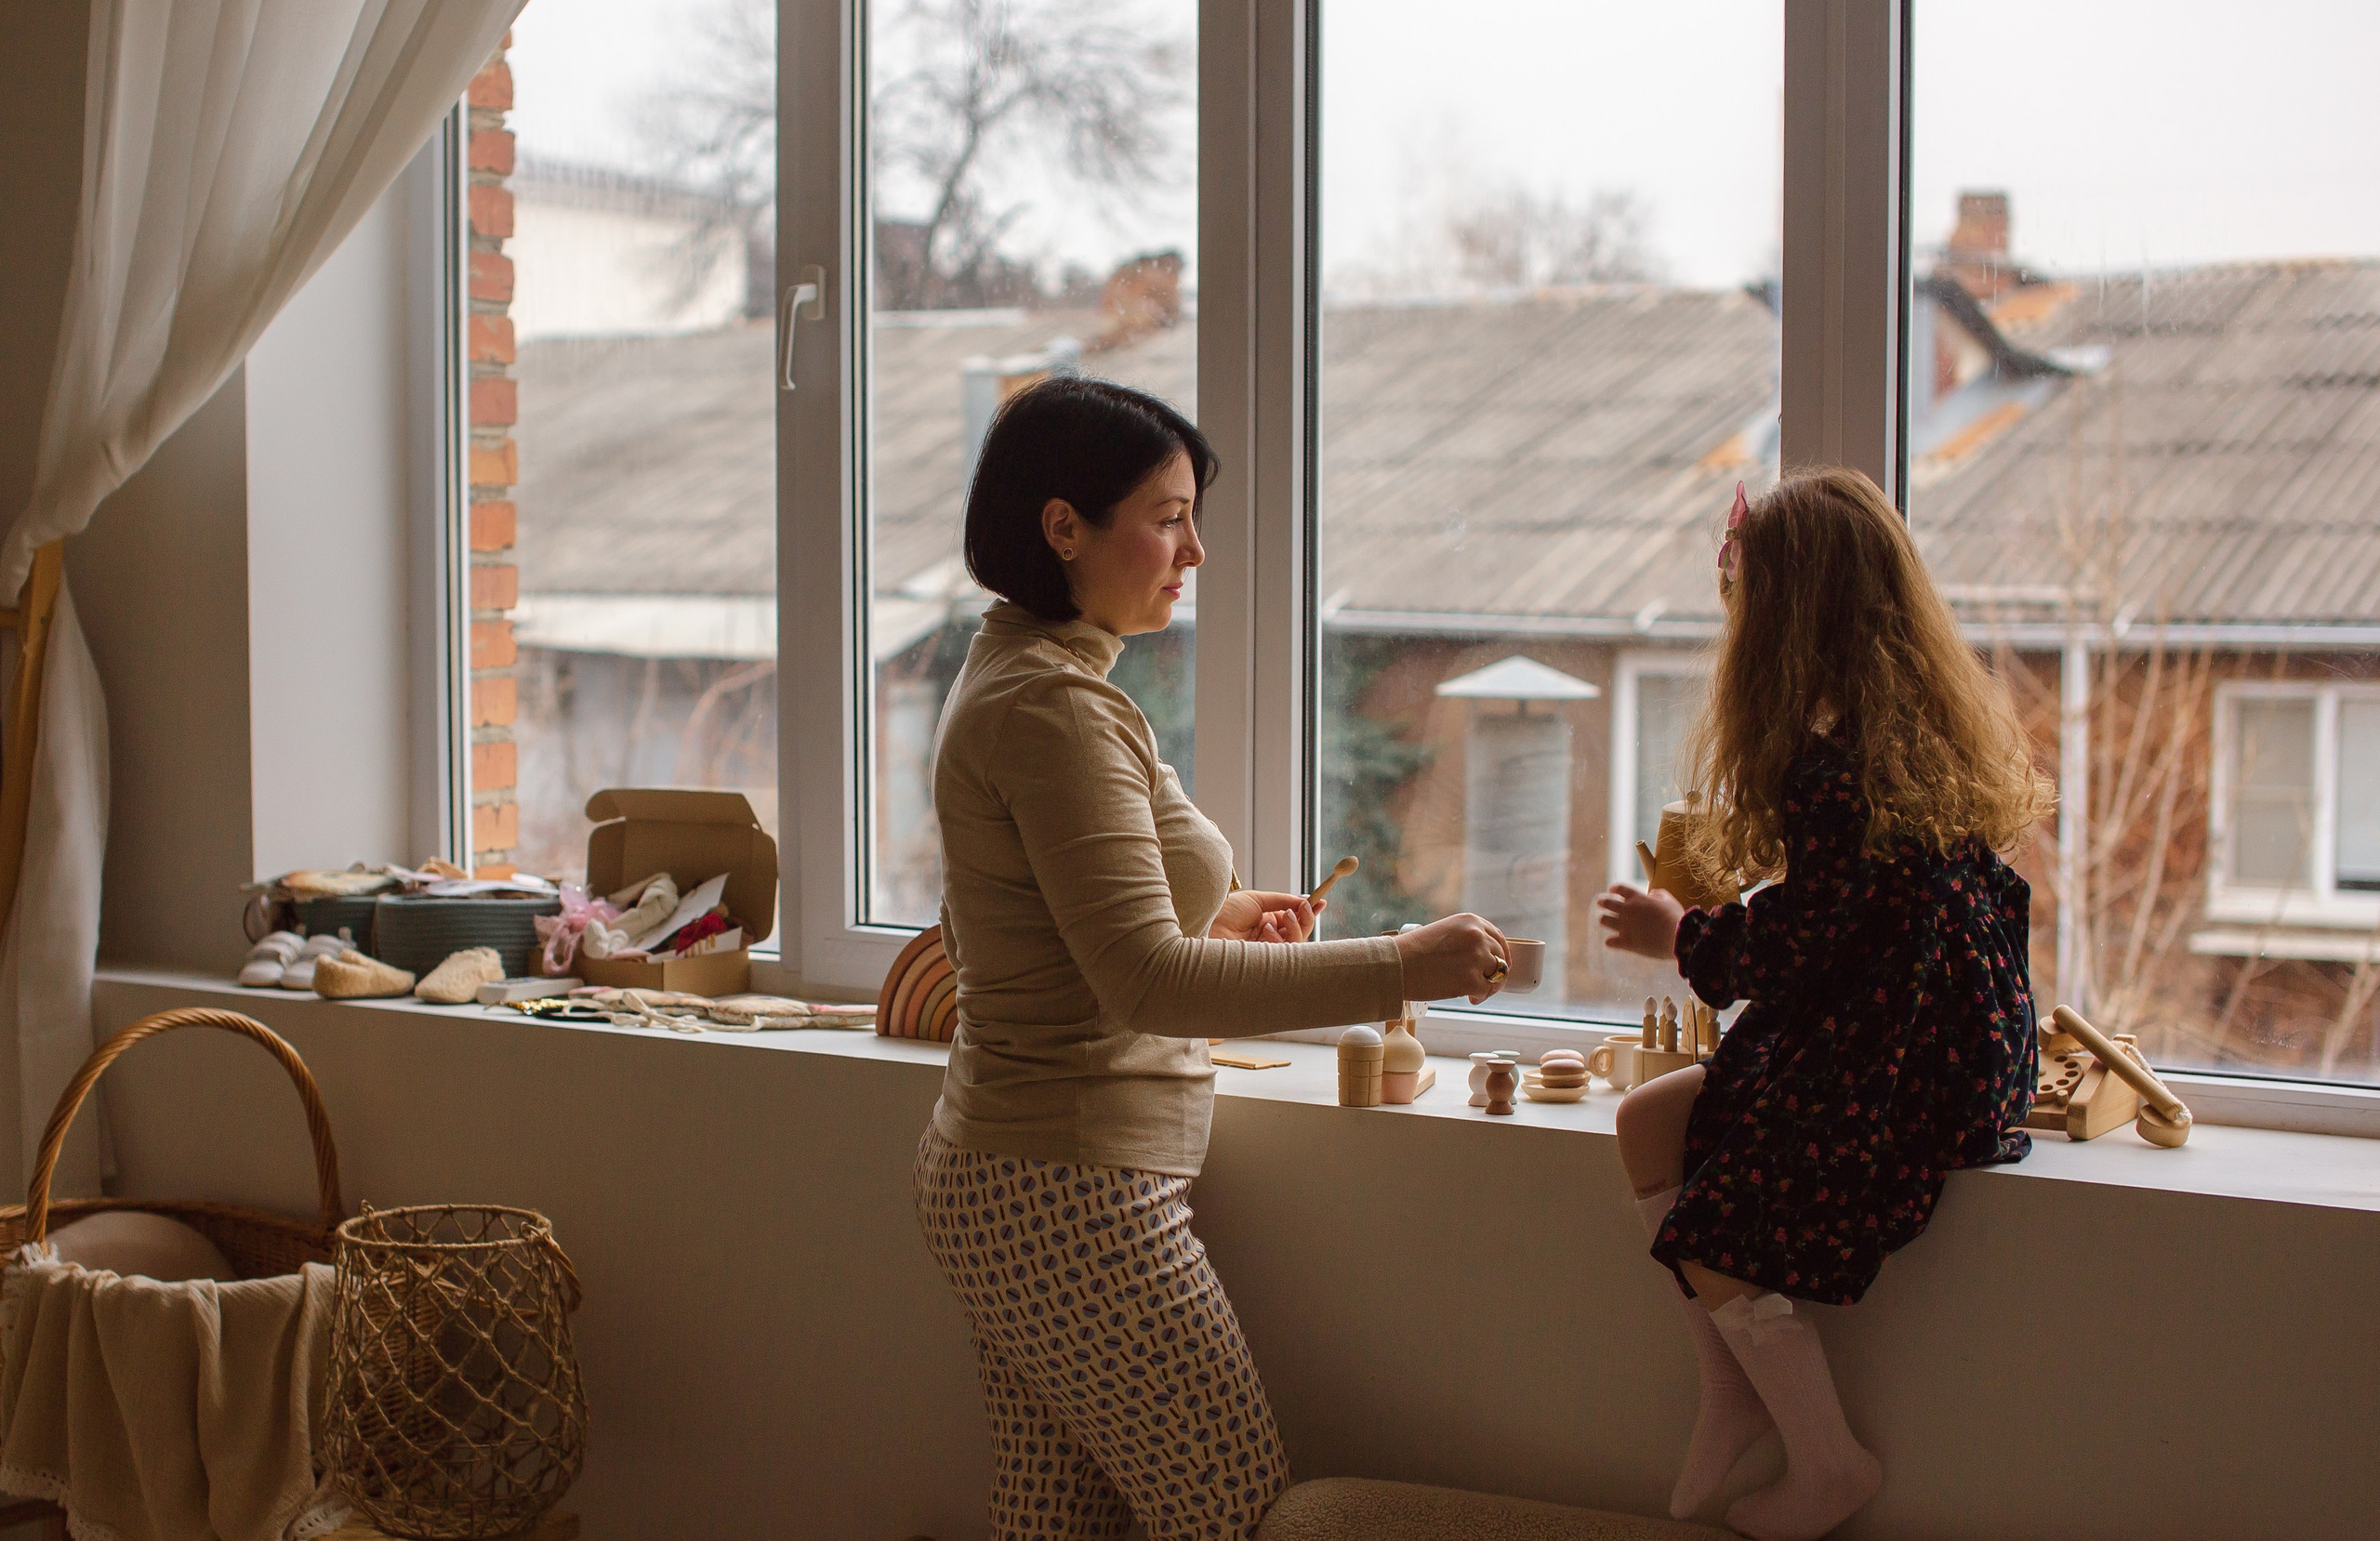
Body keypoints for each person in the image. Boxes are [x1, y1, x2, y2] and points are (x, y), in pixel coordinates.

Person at [914, 375, 1511, 1541]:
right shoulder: (1054, 706)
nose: (1194, 548)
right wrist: (1403, 963)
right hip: (1065, 1184)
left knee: (1056, 1524)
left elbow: (1071, 922)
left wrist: (1216, 910)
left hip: (1016, 1168)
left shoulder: (1040, 676)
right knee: (1235, 1516)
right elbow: (1146, 983)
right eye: (1168, 513)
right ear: (1063, 527)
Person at [1596, 468, 2053, 1541]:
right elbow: (1859, 924)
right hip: (1925, 1036)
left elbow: (1803, 939)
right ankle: (1733, 1384)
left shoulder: (1833, 771)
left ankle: (1825, 1455)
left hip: (1893, 1056)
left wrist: (1682, 935)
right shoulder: (1908, 744)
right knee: (1644, 1120)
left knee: (1713, 1228)